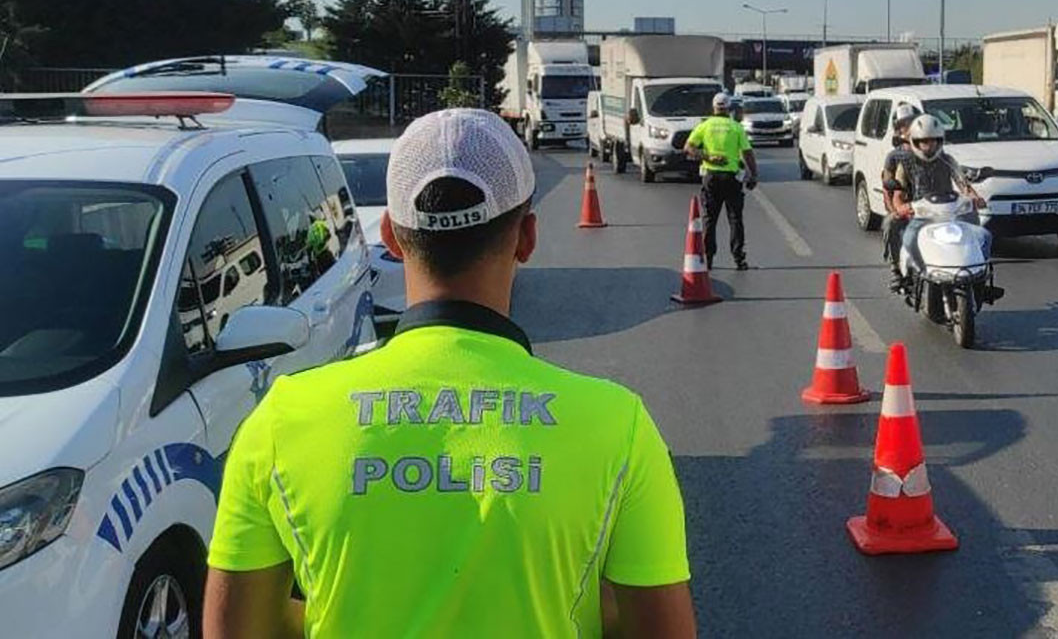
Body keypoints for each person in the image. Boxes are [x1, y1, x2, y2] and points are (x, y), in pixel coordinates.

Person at [203, 109, 696, 639]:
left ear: (391, 236)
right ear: (527, 237)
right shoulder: (617, 425)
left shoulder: (282, 420)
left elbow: (235, 630)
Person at [884, 114, 987, 289]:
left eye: (933, 141)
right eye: (924, 141)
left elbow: (963, 184)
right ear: (915, 142)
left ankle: (980, 276)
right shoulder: (904, 163)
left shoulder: (948, 161)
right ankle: (898, 271)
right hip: (919, 215)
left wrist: (975, 198)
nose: (929, 146)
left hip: (951, 213)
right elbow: (898, 196)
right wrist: (901, 208)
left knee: (982, 236)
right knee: (898, 230)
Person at [685, 91, 759, 271]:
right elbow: (748, 153)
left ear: (714, 107)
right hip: (732, 179)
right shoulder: (735, 127)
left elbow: (688, 148)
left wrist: (708, 157)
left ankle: (708, 259)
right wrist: (753, 175)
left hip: (711, 177)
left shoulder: (705, 126)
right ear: (729, 108)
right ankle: (739, 259)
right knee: (735, 219)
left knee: (710, 219)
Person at [881, 104, 921, 290]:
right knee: (890, 223)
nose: (909, 127)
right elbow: (889, 190)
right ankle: (896, 268)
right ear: (898, 129)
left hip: (934, 207)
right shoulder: (894, 157)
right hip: (905, 207)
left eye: (912, 122)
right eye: (904, 124)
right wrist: (895, 210)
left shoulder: (934, 150)